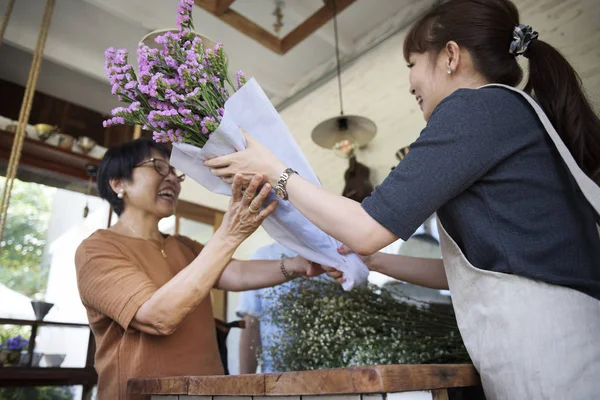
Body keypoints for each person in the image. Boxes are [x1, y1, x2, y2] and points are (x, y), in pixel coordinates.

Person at [204, 0, 600, 397]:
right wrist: (373, 260)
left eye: (411, 62)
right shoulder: (507, 112)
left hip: (550, 353)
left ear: (450, 56)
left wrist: (275, 171)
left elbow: (365, 228)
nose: (409, 81)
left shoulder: (474, 109)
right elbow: (465, 271)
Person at [74, 139, 324, 400]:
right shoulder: (96, 250)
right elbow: (158, 317)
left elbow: (235, 273)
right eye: (159, 167)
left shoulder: (181, 245)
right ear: (118, 183)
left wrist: (299, 264)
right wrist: (228, 234)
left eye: (175, 172)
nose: (172, 178)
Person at [236, 242, 297, 374]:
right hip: (277, 377)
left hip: (333, 374)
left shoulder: (336, 255)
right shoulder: (264, 257)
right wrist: (245, 384)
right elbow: (251, 326)